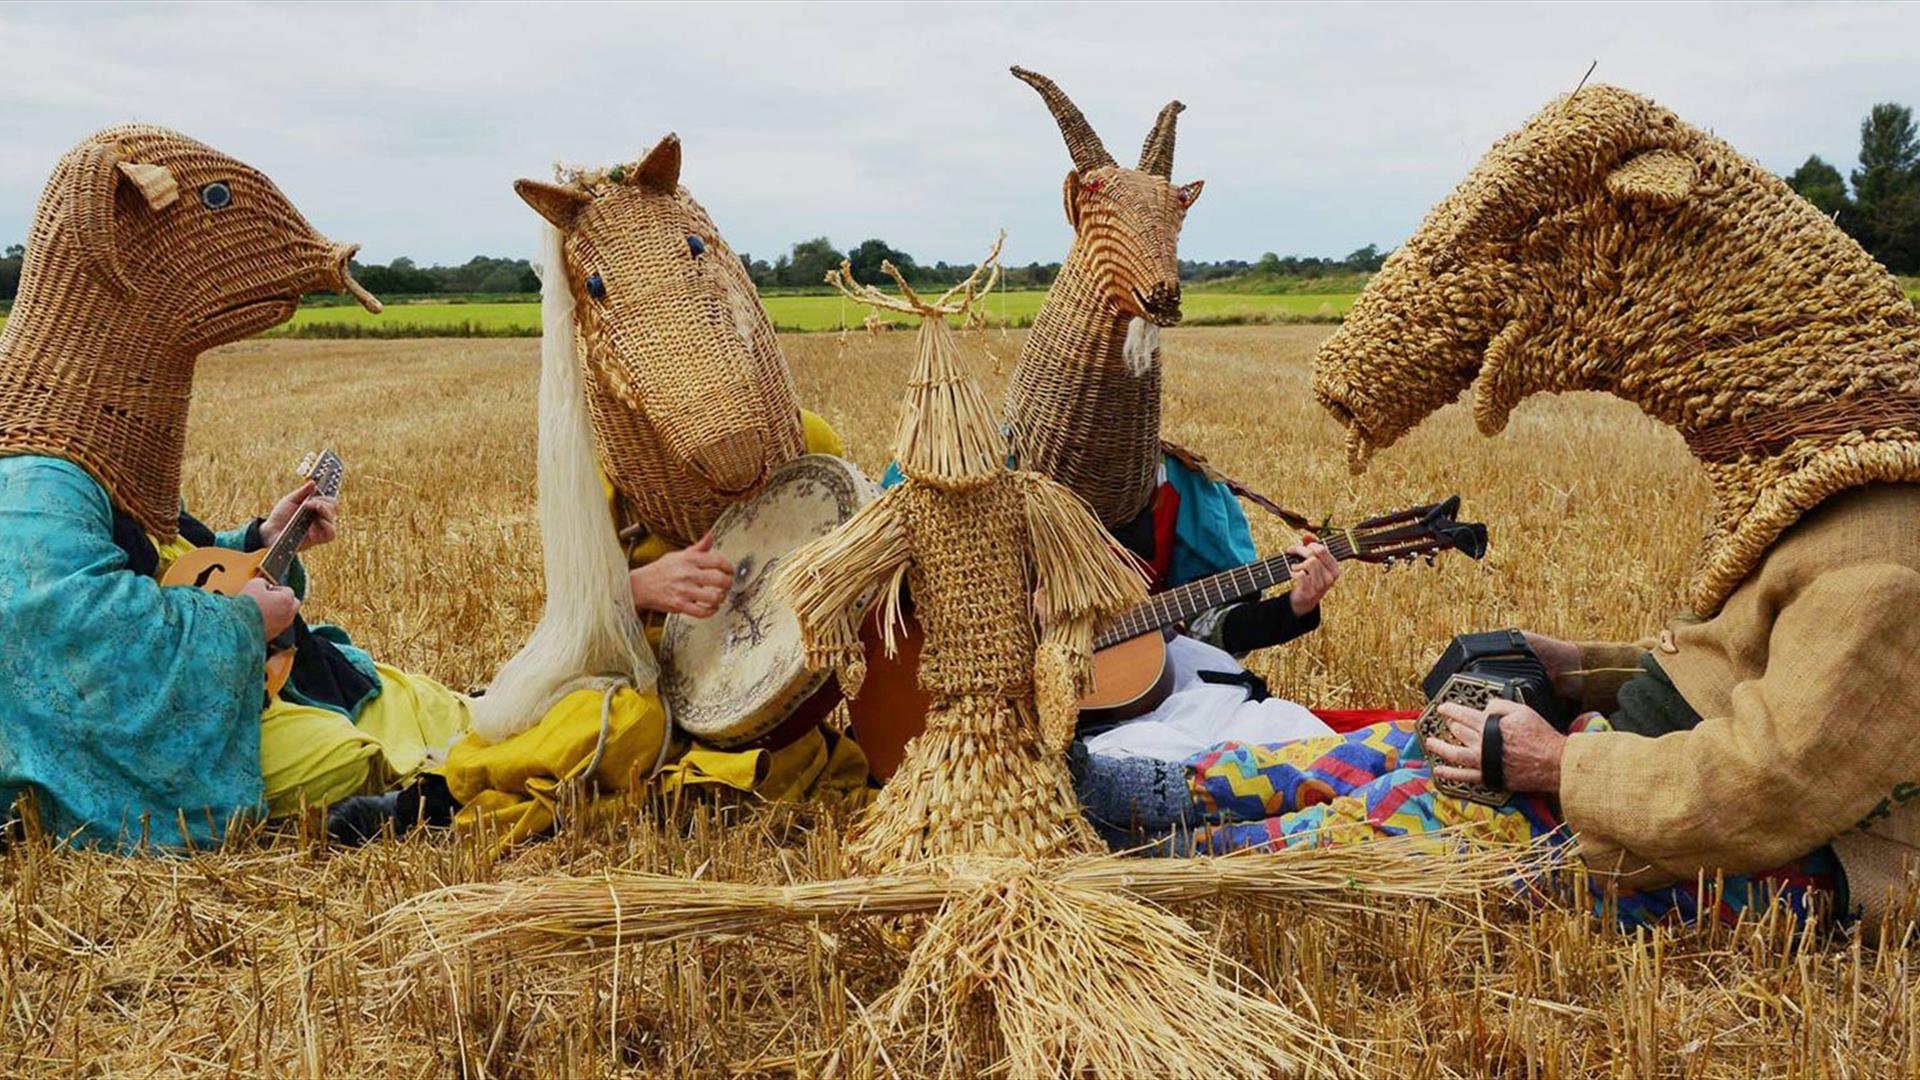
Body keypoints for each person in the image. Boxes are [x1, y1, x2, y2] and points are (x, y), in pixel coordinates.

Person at [0, 124, 468, 849]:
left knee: (409, 699)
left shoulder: (93, 461)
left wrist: (253, 543)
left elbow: (154, 570)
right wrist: (242, 624)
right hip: (121, 749)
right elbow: (73, 639)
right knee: (340, 758)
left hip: (213, 694)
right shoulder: (34, 485)